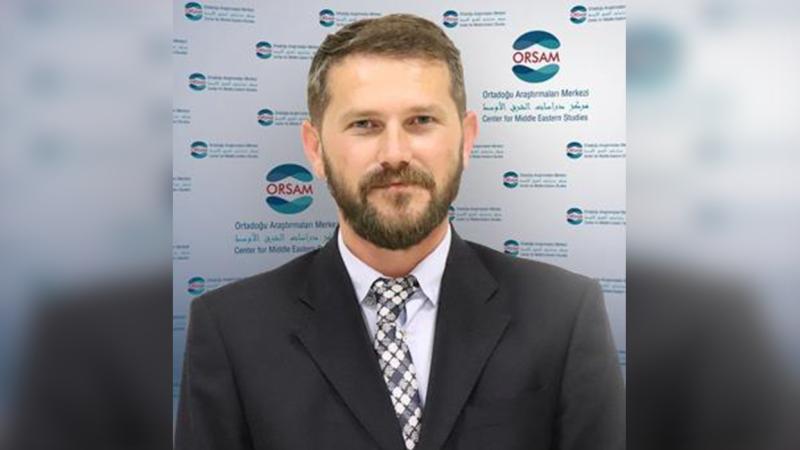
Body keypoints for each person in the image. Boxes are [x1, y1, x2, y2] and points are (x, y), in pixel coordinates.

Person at [176, 14, 624, 450]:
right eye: (364, 124)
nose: (394, 153)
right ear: (315, 149)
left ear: (466, 139)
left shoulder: (563, 314)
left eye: (421, 120)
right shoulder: (231, 330)